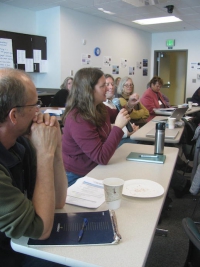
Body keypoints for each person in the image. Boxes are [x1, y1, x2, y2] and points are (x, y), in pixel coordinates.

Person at [0, 69, 67, 267]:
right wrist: (44, 154)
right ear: (14, 115)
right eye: (35, 105)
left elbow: (58, 201)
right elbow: (42, 230)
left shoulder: (20, 144)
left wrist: (55, 148)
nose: (40, 111)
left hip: (18, 245)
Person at [62, 68, 134, 186]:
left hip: (96, 168)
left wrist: (129, 106)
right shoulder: (78, 118)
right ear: (89, 90)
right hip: (78, 176)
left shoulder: (99, 107)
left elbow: (116, 114)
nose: (108, 88)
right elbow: (101, 157)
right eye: (103, 86)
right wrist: (118, 127)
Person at [103, 74, 139, 141]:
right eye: (107, 84)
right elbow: (107, 129)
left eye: (112, 84)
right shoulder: (102, 104)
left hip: (126, 133)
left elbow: (146, 112)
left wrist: (131, 127)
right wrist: (127, 133)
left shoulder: (114, 101)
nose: (111, 87)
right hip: (119, 138)